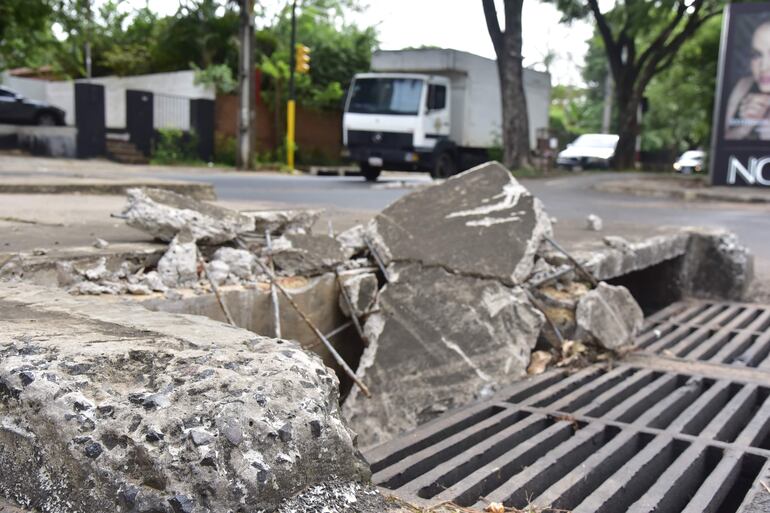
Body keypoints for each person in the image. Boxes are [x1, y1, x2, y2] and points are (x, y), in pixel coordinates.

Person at [725, 20, 770, 139]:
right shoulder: (744, 85)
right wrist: (744, 128)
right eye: (756, 55)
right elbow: (720, 141)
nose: (764, 66)